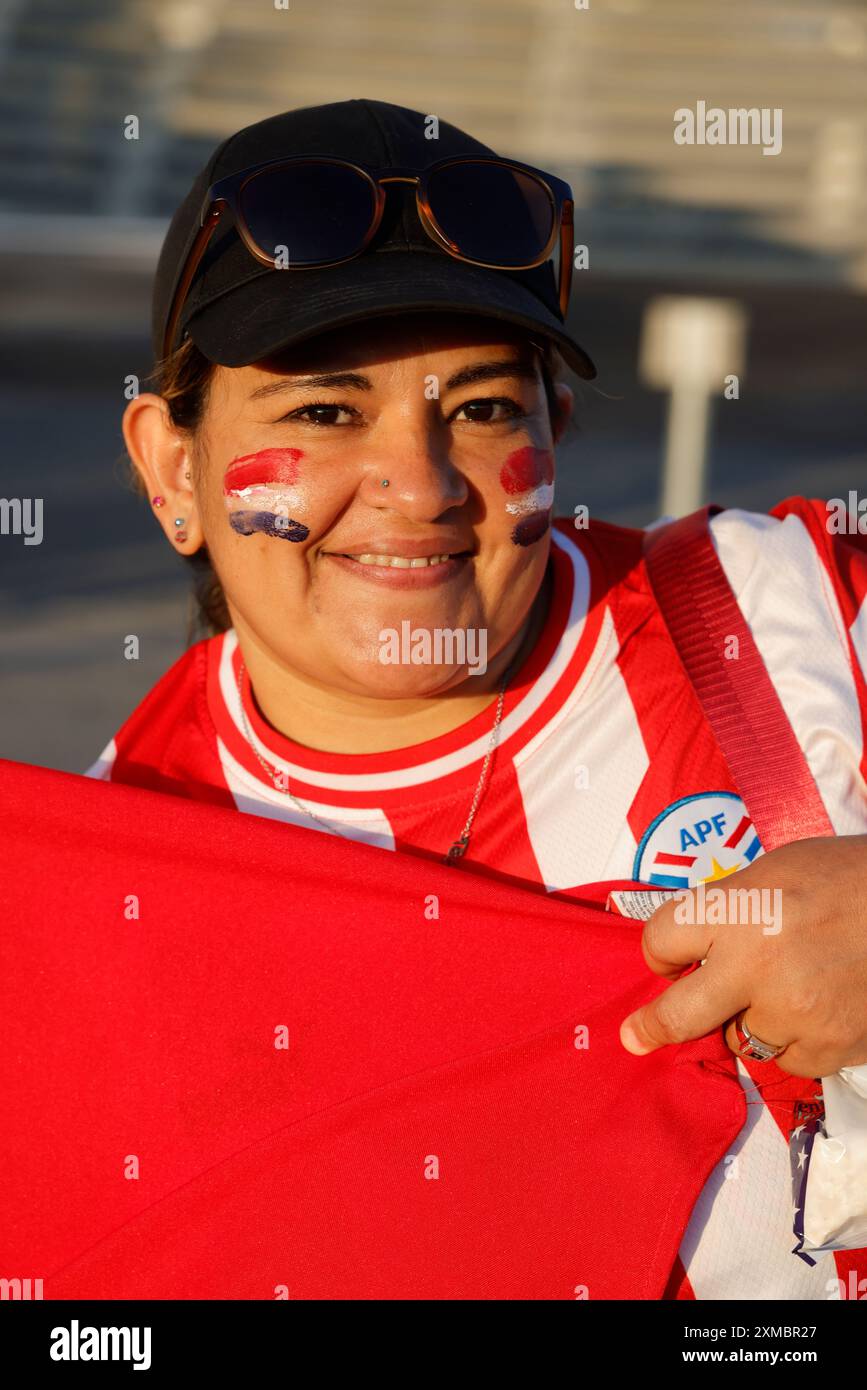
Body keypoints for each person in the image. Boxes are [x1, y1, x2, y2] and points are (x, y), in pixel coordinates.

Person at [88, 98, 867, 1299]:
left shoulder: (792, 619)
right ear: (169, 468)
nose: (419, 484)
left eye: (483, 409)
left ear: (555, 427)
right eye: (324, 412)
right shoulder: (103, 882)